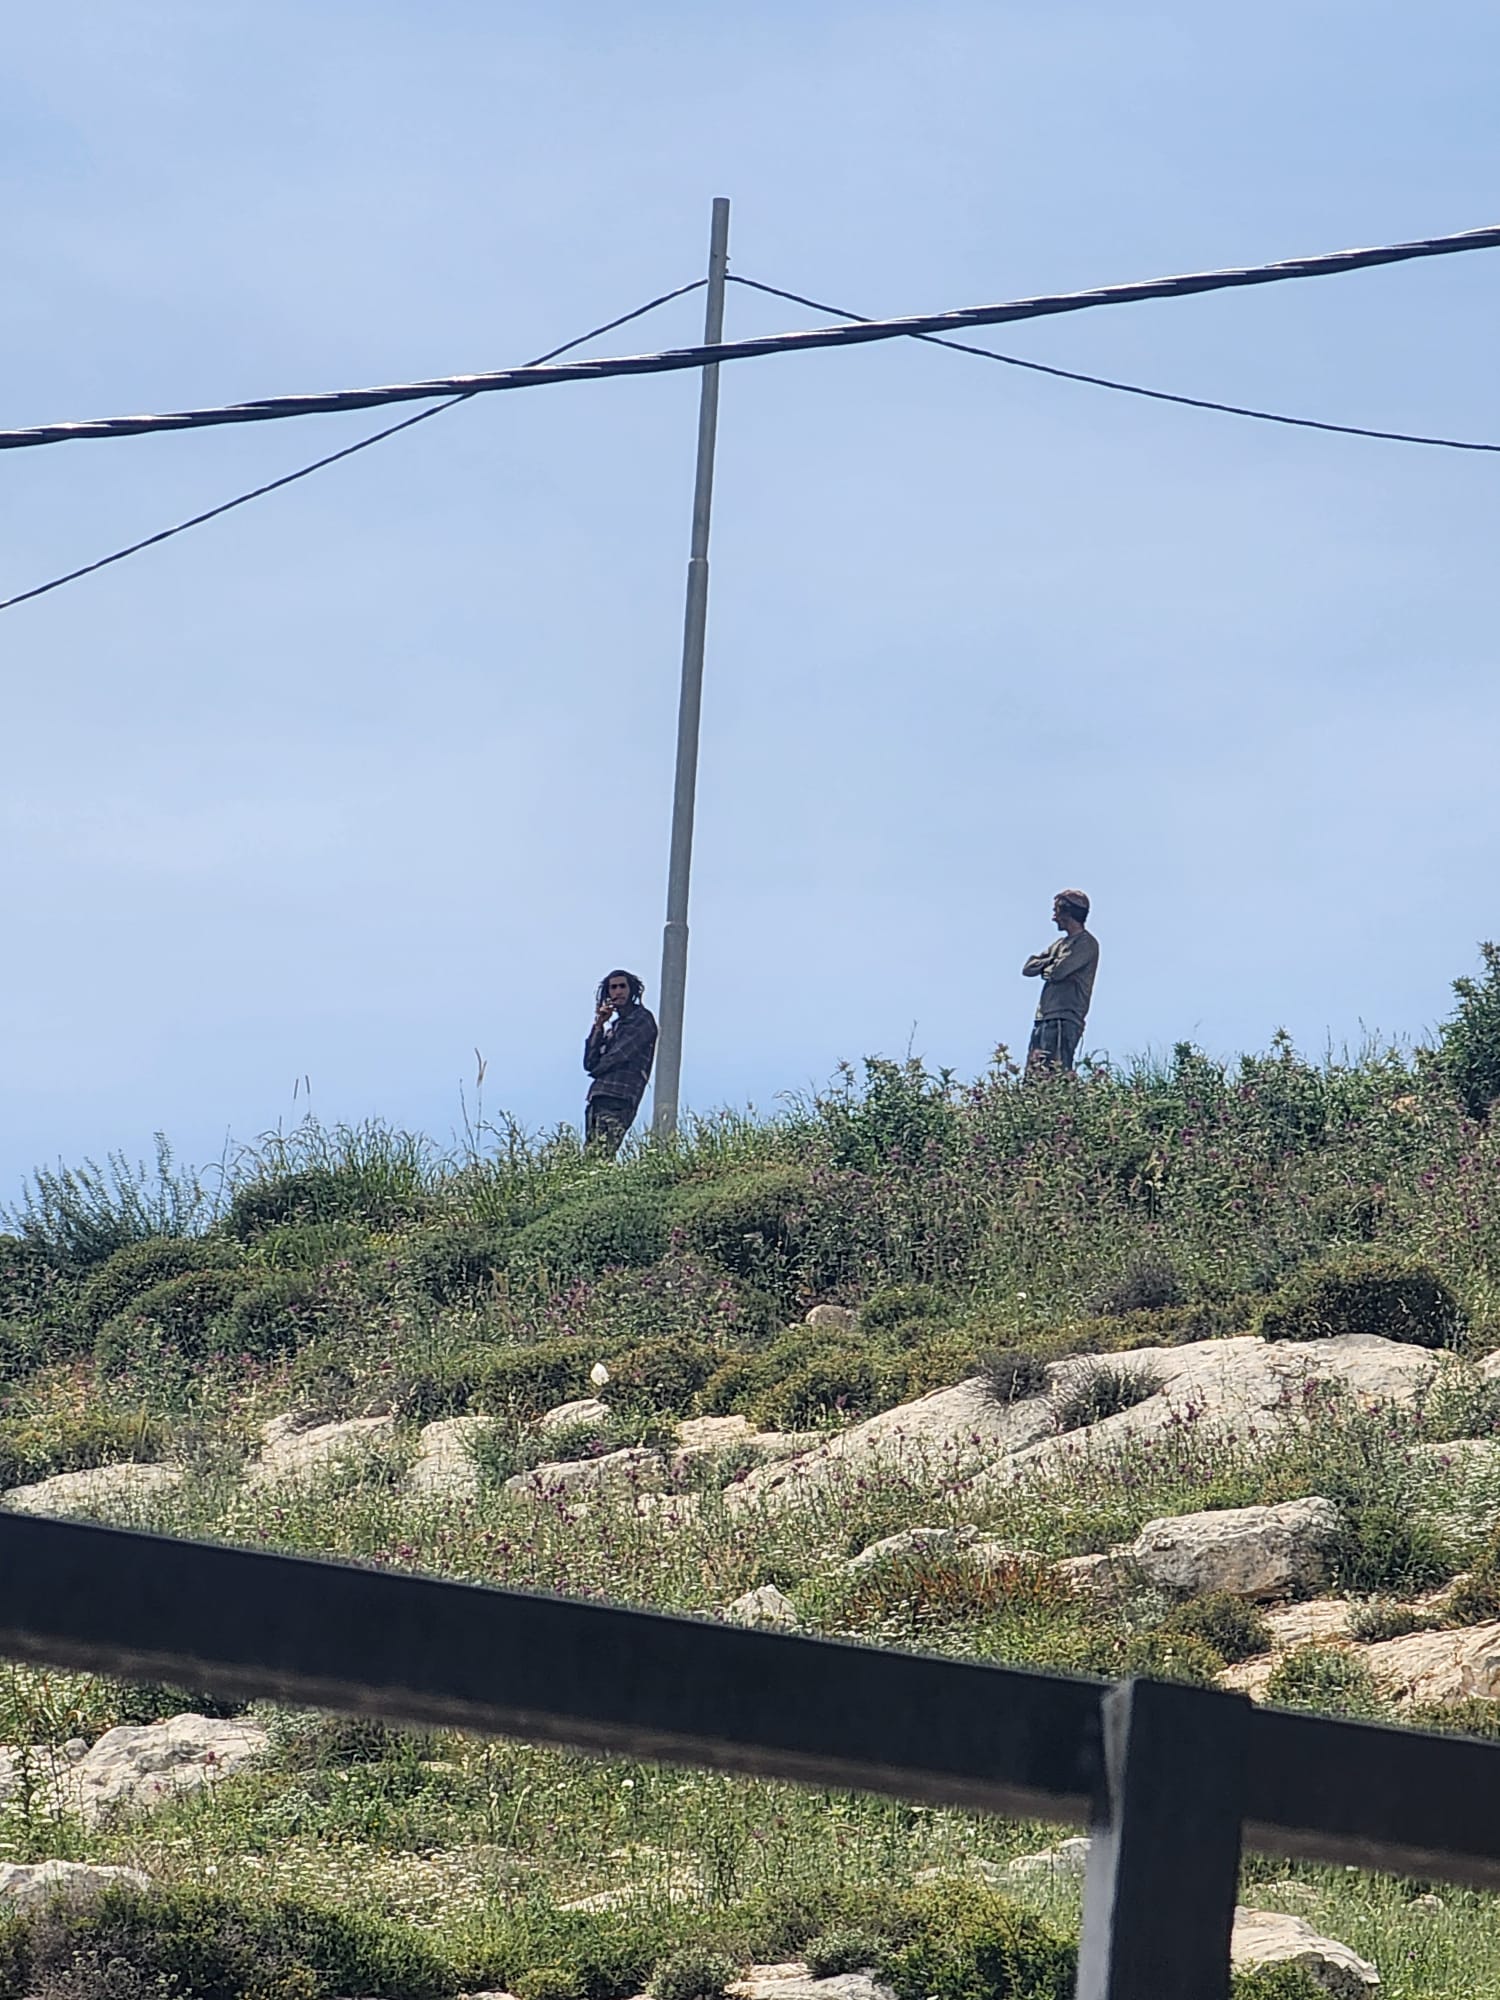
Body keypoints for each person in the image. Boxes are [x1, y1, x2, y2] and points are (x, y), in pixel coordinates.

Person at [583, 969, 659, 1154]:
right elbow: (589, 1062)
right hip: (598, 1096)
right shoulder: (613, 1027)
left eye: (622, 986)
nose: (618, 992)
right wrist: (599, 1025)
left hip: (620, 1096)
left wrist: (597, 1069)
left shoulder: (642, 1019)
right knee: (592, 1153)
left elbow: (620, 1054)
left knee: (604, 1151)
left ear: (631, 989)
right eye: (613, 987)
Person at [1022, 890, 1098, 1074]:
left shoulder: (1086, 943)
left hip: (1065, 1017)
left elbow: (1058, 972)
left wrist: (1047, 966)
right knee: (1034, 1074)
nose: (1054, 918)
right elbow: (1028, 968)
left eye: (1057, 911)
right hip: (1043, 1017)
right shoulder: (1059, 944)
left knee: (1056, 1071)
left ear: (1068, 913)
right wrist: (1051, 961)